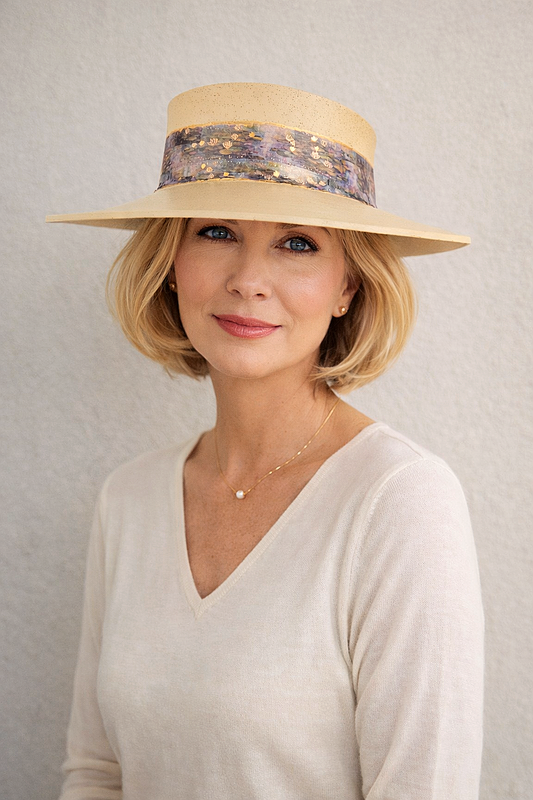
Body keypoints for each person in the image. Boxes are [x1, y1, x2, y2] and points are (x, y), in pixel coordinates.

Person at [47, 82, 485, 800]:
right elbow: (97, 773)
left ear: (347, 285)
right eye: (216, 233)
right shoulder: (128, 498)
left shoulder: (399, 501)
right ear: (170, 261)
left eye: (296, 243)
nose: (248, 280)